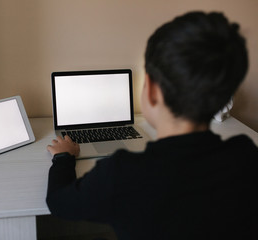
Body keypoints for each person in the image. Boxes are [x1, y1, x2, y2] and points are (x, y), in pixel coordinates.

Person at [46, 11, 258, 239]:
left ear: (152, 90)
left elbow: (60, 203)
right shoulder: (246, 157)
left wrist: (63, 158)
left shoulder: (122, 174)